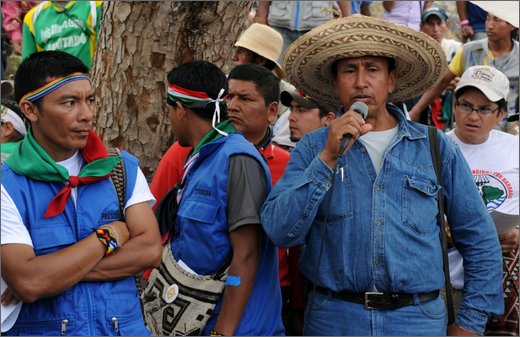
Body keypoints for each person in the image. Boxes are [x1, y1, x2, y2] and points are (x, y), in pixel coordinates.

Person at [261, 15, 504, 336]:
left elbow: (480, 240)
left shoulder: (435, 147)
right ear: (335, 83)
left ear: (391, 81)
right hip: (335, 318)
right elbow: (280, 231)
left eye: (372, 69)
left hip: (416, 320)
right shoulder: (312, 148)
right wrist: (327, 158)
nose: (361, 81)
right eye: (349, 70)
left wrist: (471, 322)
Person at [1, 50, 162, 335]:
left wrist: (51, 275)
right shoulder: (7, 186)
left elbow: (150, 250)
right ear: (30, 110)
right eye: (69, 103)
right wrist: (110, 234)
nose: (87, 115)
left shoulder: (119, 169)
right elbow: (29, 283)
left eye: (89, 100)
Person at [149, 60, 283, 335]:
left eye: (169, 110)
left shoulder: (238, 159)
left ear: (181, 110)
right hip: (198, 320)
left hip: (239, 328)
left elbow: (246, 253)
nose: (169, 120)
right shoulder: (202, 158)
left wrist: (223, 332)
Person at [445, 65, 519, 336]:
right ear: (454, 106)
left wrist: (518, 235)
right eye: (466, 105)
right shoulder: (435, 146)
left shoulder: (514, 149)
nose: (472, 116)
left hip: (505, 280)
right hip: (447, 281)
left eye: (484, 109)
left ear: (501, 114)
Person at [409, 11, 519, 130]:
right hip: (469, 127)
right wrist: (415, 112)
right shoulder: (469, 51)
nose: (490, 25)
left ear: (512, 24)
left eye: (497, 20)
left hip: (507, 129)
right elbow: (442, 82)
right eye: (488, 19)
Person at [401, 6, 462, 130]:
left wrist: (458, 82)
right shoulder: (414, 52)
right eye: (430, 24)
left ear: (447, 25)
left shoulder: (456, 48)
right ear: (421, 26)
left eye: (439, 24)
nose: (436, 30)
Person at [255, 1, 350, 62]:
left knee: (314, 72)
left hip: (317, 30)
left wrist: (346, 20)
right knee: (277, 71)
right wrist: (262, 19)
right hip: (280, 29)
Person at [22, 1, 102, 69]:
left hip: (88, 82)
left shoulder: (96, 7)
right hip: (53, 84)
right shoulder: (32, 17)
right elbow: (28, 67)